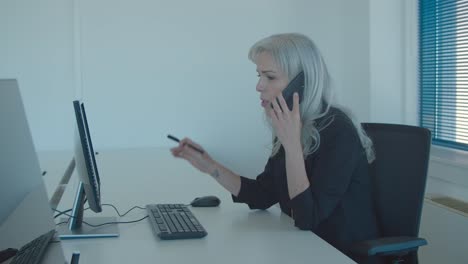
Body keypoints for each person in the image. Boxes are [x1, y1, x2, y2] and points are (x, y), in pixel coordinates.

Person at [170, 33, 380, 263]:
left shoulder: (338, 131)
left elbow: (307, 218)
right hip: (302, 248)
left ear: (302, 82)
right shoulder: (292, 126)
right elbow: (262, 194)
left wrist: (292, 148)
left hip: (339, 253)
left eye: (270, 77)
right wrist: (211, 167)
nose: (259, 86)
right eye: (259, 75)